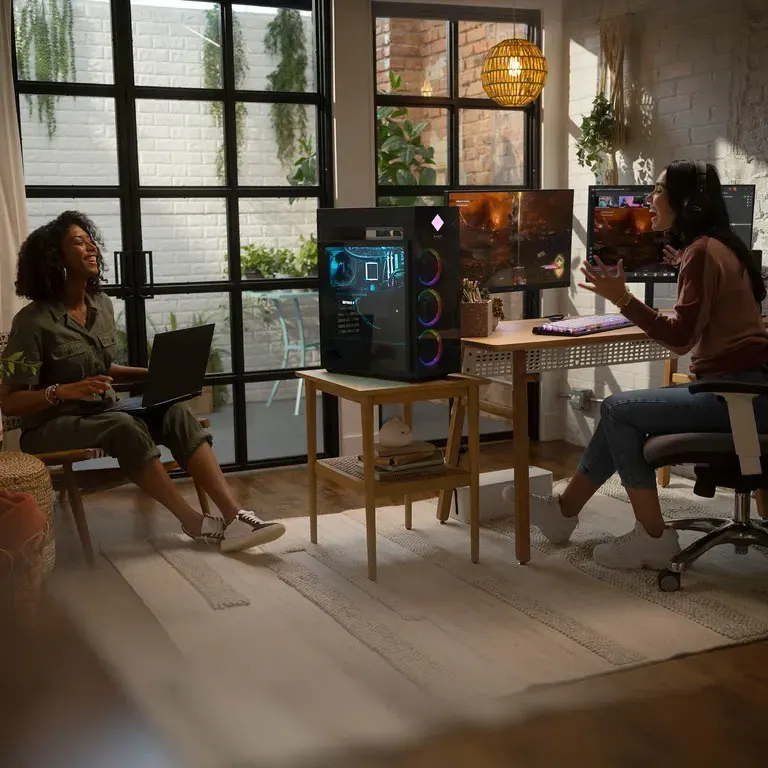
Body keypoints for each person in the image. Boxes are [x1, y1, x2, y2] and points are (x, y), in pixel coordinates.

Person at [524, 161, 768, 569]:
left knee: (618, 408)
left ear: (687, 204)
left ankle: (652, 538)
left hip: (737, 398)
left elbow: (680, 338)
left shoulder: (704, 253)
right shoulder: (720, 248)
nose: (649, 198)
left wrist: (622, 298)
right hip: (744, 390)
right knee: (620, 414)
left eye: (657, 190)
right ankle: (562, 512)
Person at [0, 211, 286, 553]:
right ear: (55, 258)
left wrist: (156, 374)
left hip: (104, 413)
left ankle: (235, 516)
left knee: (175, 412)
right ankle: (193, 522)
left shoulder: (101, 306)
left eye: (91, 239)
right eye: (79, 242)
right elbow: (10, 402)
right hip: (51, 427)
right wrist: (61, 391)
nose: (91, 246)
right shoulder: (32, 322)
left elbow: (107, 368)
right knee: (123, 426)